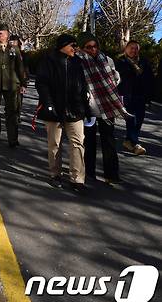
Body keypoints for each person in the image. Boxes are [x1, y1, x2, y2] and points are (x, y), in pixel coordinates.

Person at [35, 34, 89, 193]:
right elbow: (42, 84)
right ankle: (55, 174)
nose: (75, 48)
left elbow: (84, 85)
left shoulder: (78, 62)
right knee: (54, 144)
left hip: (75, 110)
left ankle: (77, 179)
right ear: (63, 45)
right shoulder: (48, 60)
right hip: (54, 109)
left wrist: (83, 105)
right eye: (72, 45)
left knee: (78, 143)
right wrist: (48, 104)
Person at [76, 33, 127, 184]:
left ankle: (112, 174)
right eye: (89, 47)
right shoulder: (77, 61)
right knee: (88, 141)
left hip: (107, 105)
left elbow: (114, 79)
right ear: (82, 47)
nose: (93, 49)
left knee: (109, 140)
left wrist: (115, 76)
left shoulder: (107, 59)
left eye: (95, 46)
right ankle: (89, 172)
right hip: (89, 107)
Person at [116, 40, 154, 155]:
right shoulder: (120, 61)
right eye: (131, 48)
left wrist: (149, 96)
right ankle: (136, 143)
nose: (134, 50)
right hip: (127, 94)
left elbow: (150, 79)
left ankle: (128, 140)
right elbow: (120, 77)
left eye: (136, 48)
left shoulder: (143, 62)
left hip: (140, 95)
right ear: (126, 48)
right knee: (132, 119)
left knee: (140, 120)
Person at [9, 35, 28, 123]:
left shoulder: (22, 53)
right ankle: (10, 113)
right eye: (12, 41)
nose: (13, 43)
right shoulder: (8, 51)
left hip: (21, 79)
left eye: (15, 41)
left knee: (19, 99)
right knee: (10, 99)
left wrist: (25, 80)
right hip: (10, 79)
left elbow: (26, 66)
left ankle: (17, 115)